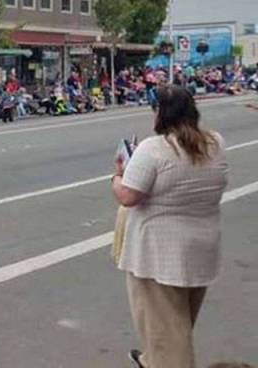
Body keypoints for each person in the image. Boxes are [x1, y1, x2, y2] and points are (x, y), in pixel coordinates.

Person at [112, 85, 228, 368]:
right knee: (179, 324)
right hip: (201, 249)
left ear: (159, 113)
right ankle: (150, 360)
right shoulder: (214, 143)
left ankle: (158, 362)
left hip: (158, 255)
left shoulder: (154, 148)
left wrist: (116, 176)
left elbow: (129, 195)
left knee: (169, 336)